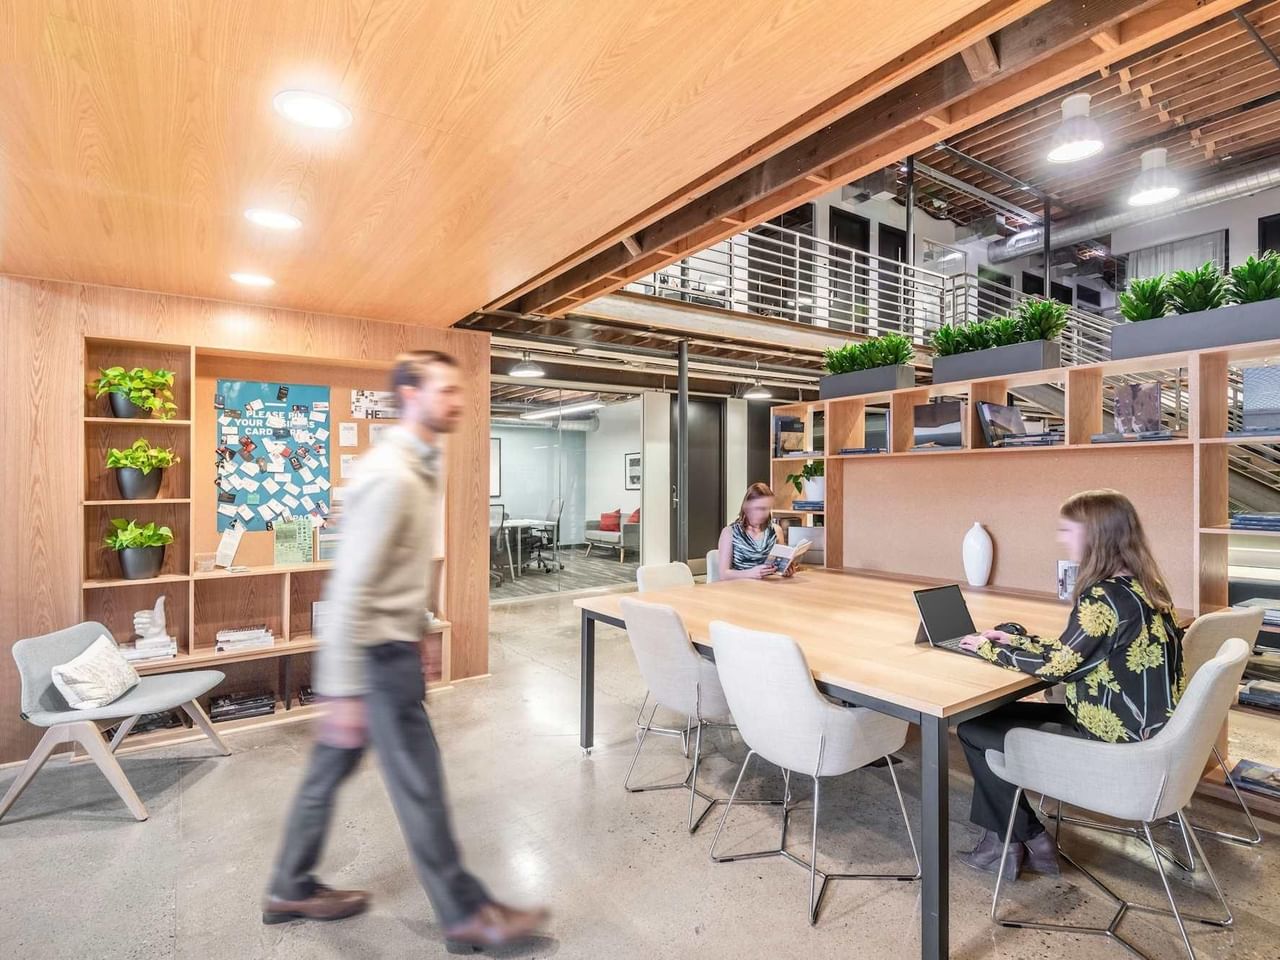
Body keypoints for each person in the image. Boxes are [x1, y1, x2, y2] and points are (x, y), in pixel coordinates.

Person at [263, 351, 548, 951]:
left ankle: (288, 884)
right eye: (447, 390)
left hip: (387, 649)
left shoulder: (418, 466)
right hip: (372, 658)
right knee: (420, 784)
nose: (459, 400)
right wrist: (344, 687)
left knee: (329, 770)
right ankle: (464, 915)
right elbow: (351, 584)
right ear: (412, 395)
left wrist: (418, 633)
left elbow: (397, 570)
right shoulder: (391, 474)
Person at [955, 489, 1185, 881]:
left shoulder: (1102, 598)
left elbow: (1057, 669)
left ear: (1096, 536)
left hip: (1112, 744)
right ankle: (1011, 839)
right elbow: (1079, 652)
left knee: (974, 729)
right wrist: (1016, 641)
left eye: (1069, 530)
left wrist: (988, 649)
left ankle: (1018, 838)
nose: (1063, 538)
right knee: (988, 721)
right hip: (1144, 732)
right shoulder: (1146, 589)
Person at [716, 482, 796, 581]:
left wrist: (785, 570)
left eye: (766, 509)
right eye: (758, 508)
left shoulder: (776, 531)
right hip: (740, 587)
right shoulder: (729, 533)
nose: (763, 514)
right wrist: (750, 573)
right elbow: (723, 574)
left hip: (769, 586)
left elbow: (778, 568)